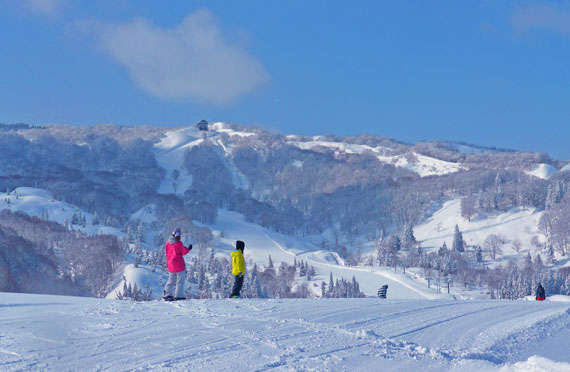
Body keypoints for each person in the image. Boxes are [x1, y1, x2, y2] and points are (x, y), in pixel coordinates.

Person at [163, 228, 192, 301]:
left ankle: (167, 294)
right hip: (179, 265)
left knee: (171, 280)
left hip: (170, 265)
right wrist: (188, 248)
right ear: (175, 234)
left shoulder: (167, 242)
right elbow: (184, 252)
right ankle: (178, 295)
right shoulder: (179, 243)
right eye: (178, 235)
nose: (179, 236)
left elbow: (170, 251)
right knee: (180, 281)